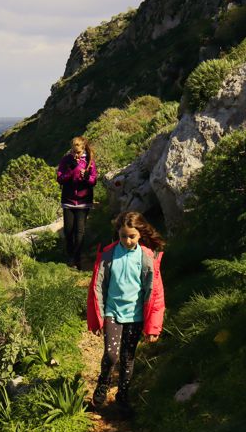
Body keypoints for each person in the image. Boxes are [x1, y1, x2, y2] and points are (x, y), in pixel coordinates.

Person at [86, 211, 165, 414]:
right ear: (118, 233)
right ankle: (103, 384)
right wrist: (96, 320)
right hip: (112, 312)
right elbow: (96, 289)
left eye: (132, 236)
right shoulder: (108, 254)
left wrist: (153, 327)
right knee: (111, 355)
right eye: (123, 236)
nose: (128, 240)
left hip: (136, 315)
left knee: (127, 357)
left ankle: (122, 396)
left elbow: (156, 295)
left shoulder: (147, 258)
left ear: (140, 235)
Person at [56, 136, 97, 269]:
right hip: (68, 200)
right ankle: (70, 256)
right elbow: (60, 179)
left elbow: (93, 181)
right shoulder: (66, 160)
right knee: (68, 231)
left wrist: (86, 177)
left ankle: (76, 259)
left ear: (83, 148)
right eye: (73, 151)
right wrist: (70, 170)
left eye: (78, 152)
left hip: (84, 201)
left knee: (79, 231)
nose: (76, 155)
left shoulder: (89, 161)